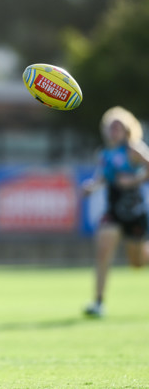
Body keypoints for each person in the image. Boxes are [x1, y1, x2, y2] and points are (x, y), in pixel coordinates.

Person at [82, 106, 149, 317]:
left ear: (127, 129)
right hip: (112, 211)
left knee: (136, 263)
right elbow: (102, 178)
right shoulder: (105, 154)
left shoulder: (134, 150)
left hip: (134, 211)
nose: (114, 131)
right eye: (111, 127)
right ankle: (98, 302)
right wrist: (91, 187)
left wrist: (134, 180)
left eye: (118, 127)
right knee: (103, 252)